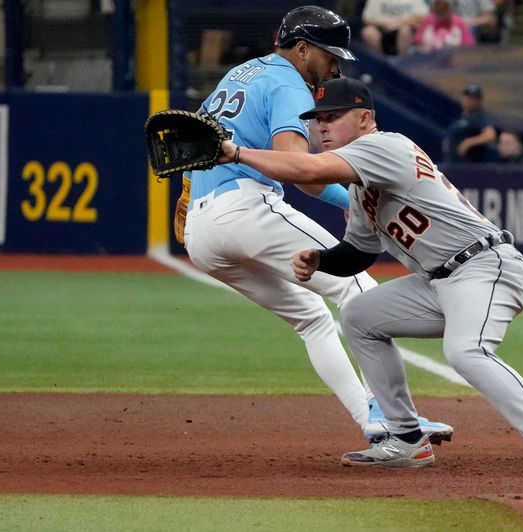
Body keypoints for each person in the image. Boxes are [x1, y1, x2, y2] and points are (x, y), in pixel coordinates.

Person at [216, 77, 523, 476]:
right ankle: (408, 439)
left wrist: (236, 153)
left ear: (364, 119)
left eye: (332, 117)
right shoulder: (362, 190)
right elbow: (360, 253)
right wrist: (321, 260)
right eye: (316, 119)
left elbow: (307, 169)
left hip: (485, 266)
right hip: (440, 282)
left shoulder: (383, 145)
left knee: (465, 351)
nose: (321, 127)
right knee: (360, 316)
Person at [179, 6, 454, 445]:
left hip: (203, 229)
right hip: (244, 207)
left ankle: (374, 420)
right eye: (329, 55)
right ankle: (403, 422)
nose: (335, 66)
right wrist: (357, 201)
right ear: (302, 48)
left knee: (310, 317)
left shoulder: (240, 73)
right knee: (359, 289)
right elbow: (297, 168)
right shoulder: (290, 83)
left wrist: (347, 201)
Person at [442, 84, 497, 163]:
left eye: (474, 98)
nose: (470, 101)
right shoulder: (463, 117)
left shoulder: (480, 116)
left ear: (479, 101)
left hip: (468, 165)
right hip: (452, 163)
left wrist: (468, 142)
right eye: (467, 97)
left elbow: (490, 135)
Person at [360, 0, 429, 56]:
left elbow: (422, 17)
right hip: (382, 30)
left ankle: (403, 63)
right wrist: (386, 24)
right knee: (368, 32)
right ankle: (379, 62)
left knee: (405, 30)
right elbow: (367, 19)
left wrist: (399, 23)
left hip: (405, 30)